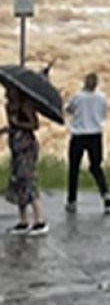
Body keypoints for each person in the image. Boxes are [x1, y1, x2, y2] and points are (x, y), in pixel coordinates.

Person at [65, 73, 110, 213]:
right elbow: (103, 114)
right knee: (96, 167)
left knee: (74, 169)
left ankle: (72, 200)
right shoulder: (101, 97)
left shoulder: (78, 97)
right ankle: (105, 195)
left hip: (79, 135)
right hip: (95, 135)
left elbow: (69, 110)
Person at [3, 85, 47, 236]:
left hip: (27, 146)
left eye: (10, 90)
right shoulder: (8, 105)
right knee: (17, 182)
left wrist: (18, 123)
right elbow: (12, 124)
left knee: (28, 180)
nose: (6, 92)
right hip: (15, 145)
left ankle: (40, 220)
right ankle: (23, 221)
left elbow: (34, 125)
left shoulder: (26, 104)